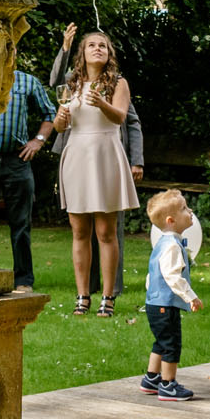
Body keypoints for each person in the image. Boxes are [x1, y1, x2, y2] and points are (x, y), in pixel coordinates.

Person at [50, 23, 142, 298]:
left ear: (109, 53)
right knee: (79, 230)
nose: (98, 48)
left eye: (103, 45)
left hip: (105, 154)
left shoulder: (117, 83)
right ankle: (82, 296)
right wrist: (59, 120)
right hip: (77, 155)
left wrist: (101, 102)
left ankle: (108, 297)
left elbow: (121, 117)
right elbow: (59, 126)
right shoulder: (71, 84)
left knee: (105, 231)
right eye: (92, 44)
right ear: (83, 52)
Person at [0, 67, 56, 292]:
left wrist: (39, 140)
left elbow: (50, 114)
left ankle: (23, 280)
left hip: (17, 160)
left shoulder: (27, 81)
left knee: (21, 225)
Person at [138, 190, 203, 401]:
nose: (190, 210)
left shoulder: (162, 244)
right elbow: (172, 277)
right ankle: (168, 384)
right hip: (165, 305)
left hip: (155, 303)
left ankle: (151, 378)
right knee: (171, 344)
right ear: (171, 220)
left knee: (161, 341)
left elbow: (152, 275)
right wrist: (190, 297)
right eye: (185, 208)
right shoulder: (172, 247)